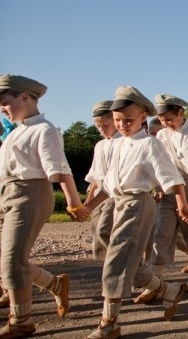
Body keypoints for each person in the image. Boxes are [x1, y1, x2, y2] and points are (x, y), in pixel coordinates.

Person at [81, 86, 188, 339]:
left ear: (143, 116)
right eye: (118, 120)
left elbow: (172, 178)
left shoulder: (150, 144)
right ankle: (168, 290)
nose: (122, 125)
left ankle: (108, 323)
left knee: (116, 260)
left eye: (129, 120)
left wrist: (182, 204)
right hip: (118, 204)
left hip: (138, 205)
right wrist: (88, 206)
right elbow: (108, 186)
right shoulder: (117, 145)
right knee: (126, 260)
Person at [0, 75, 89, 337]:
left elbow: (61, 170)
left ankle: (21, 321)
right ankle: (54, 284)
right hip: (9, 193)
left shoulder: (45, 130)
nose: (3, 109)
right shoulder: (17, 132)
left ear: (24, 97)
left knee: (12, 262)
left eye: (5, 103)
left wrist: (74, 202)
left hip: (31, 193)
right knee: (8, 260)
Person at [133, 94, 188, 304]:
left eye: (169, 119)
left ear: (180, 113)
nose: (167, 123)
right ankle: (155, 280)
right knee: (161, 230)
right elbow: (158, 164)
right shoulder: (162, 136)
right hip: (168, 185)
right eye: (162, 119)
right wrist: (158, 186)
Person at [84, 100, 119, 260]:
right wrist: (90, 198)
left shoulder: (123, 142)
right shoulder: (100, 145)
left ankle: (126, 265)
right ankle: (109, 267)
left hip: (114, 193)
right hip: (99, 192)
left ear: (115, 119)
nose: (102, 130)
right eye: (98, 126)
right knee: (96, 234)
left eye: (105, 125)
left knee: (104, 230)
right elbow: (95, 176)